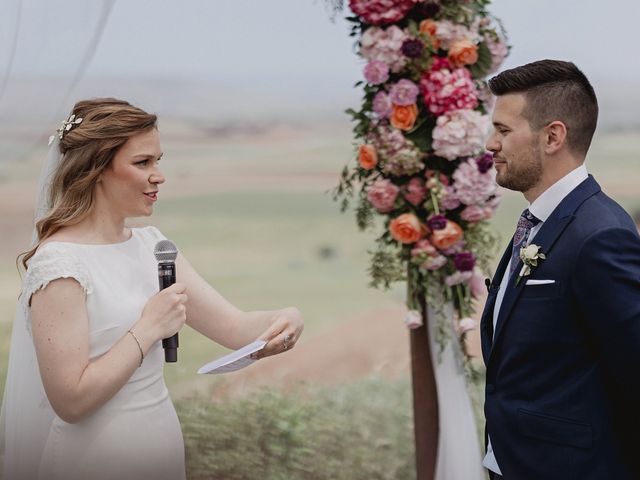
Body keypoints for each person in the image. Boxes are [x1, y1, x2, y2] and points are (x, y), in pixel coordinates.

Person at [0, 98, 304, 480]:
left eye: (158, 161)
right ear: (97, 169)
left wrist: (285, 318)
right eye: (143, 163)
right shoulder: (60, 263)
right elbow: (71, 401)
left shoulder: (154, 248)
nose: (158, 175)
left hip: (158, 444)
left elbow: (237, 327)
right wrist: (147, 329)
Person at [480, 60, 640, 479]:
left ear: (552, 136)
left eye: (502, 130)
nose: (489, 143)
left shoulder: (600, 235)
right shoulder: (540, 222)